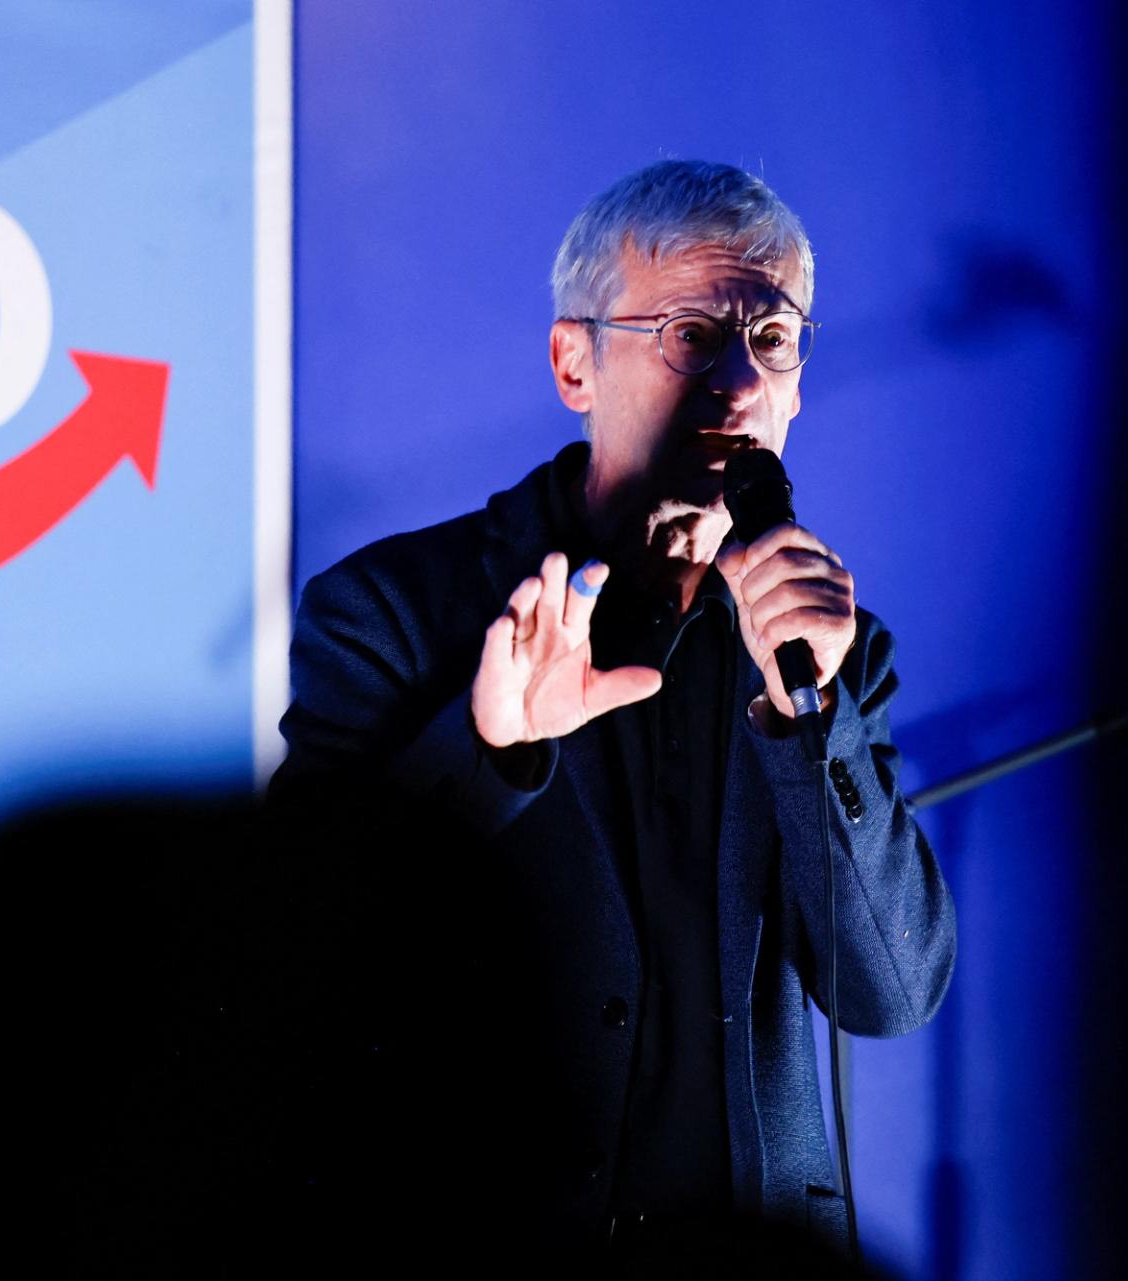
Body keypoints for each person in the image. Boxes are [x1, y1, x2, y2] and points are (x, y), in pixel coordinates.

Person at [271, 160, 955, 1258]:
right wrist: (489, 748)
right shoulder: (392, 611)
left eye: (772, 341)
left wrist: (805, 721)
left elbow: (890, 992)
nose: (738, 382)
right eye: (691, 334)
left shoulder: (829, 647)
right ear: (572, 363)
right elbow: (299, 963)